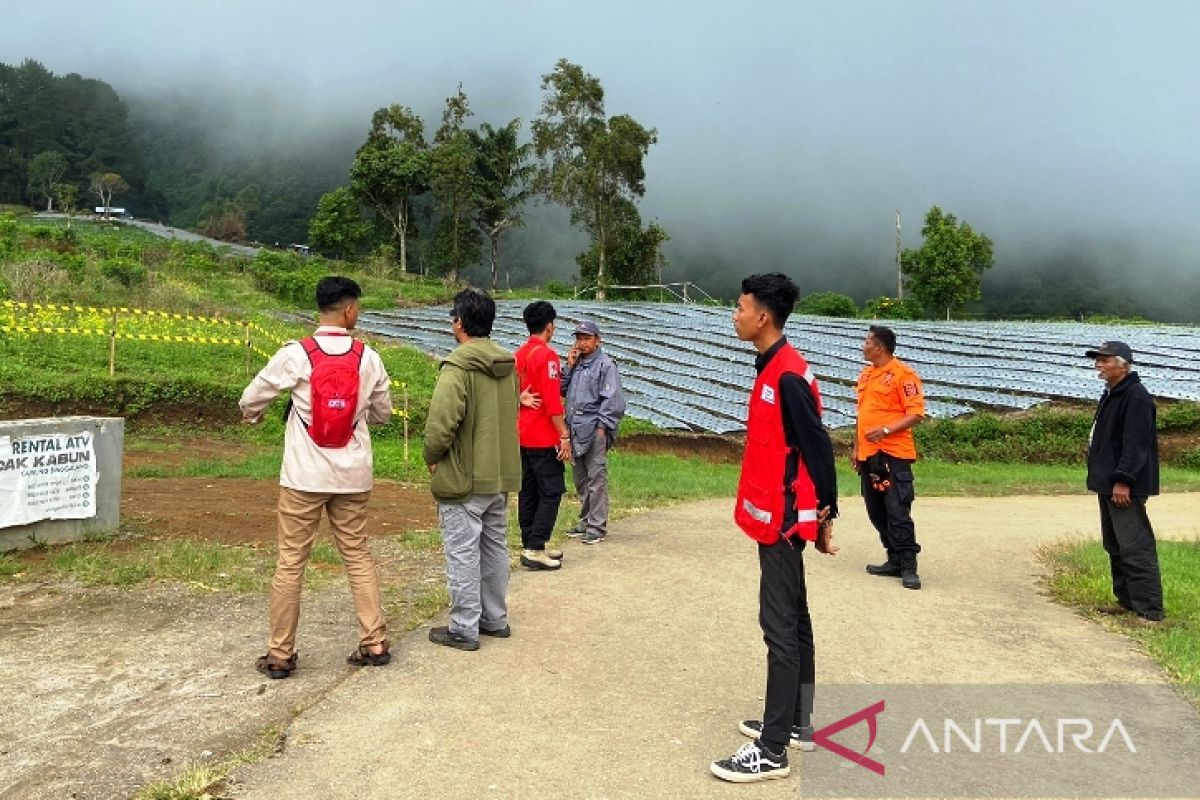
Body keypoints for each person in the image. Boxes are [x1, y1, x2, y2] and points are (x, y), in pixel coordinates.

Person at [711, 272, 839, 784]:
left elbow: (819, 448)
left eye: (740, 307)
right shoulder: (773, 367)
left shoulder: (785, 375)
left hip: (783, 524)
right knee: (796, 620)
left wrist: (825, 515)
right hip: (780, 520)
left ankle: (771, 750)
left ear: (763, 316)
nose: (735, 314)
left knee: (780, 627)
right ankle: (796, 723)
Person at [239, 275, 393, 679]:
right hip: (352, 477)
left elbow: (254, 395)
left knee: (291, 561)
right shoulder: (368, 357)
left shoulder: (296, 354)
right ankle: (374, 641)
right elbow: (383, 413)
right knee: (357, 555)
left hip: (303, 477)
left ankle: (280, 654)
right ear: (349, 310)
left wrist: (252, 414)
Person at [424, 288, 521, 650]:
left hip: (464, 477)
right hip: (500, 473)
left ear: (459, 323)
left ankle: (464, 627)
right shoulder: (508, 366)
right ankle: (494, 618)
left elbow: (441, 425)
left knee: (463, 551)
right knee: (495, 546)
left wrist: (432, 456)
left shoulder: (458, 366)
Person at [1085, 340, 1164, 625]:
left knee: (1135, 545)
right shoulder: (1114, 393)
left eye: (1104, 360)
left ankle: (1150, 611)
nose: (1098, 364)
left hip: (1122, 486)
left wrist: (1124, 481)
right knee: (1115, 543)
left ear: (1123, 364)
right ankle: (1127, 600)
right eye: (1097, 359)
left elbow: (1136, 444)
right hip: (1109, 483)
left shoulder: (1136, 396)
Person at [852, 324, 926, 590]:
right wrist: (856, 449)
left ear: (879, 348)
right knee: (876, 510)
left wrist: (885, 430)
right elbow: (862, 415)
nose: (863, 345)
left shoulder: (903, 375)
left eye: (867, 341)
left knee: (897, 509)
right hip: (869, 455)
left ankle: (908, 565)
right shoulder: (866, 375)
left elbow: (916, 413)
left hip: (893, 455)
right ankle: (893, 559)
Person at [514, 301, 572, 571]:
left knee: (528, 490)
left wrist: (519, 399)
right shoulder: (547, 357)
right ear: (550, 326)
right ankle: (536, 547)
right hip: (542, 436)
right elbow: (552, 401)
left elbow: (510, 390)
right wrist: (564, 434)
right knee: (551, 491)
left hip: (522, 434)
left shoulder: (519, 354)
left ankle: (530, 543)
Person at [560, 320, 625, 545]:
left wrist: (602, 428)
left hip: (594, 428)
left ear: (598, 340)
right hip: (575, 428)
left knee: (596, 477)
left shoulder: (606, 366)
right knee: (580, 478)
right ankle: (586, 520)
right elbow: (561, 388)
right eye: (579, 338)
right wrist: (568, 366)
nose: (582, 343)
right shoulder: (576, 364)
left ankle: (597, 526)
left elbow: (613, 400)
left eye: (587, 338)